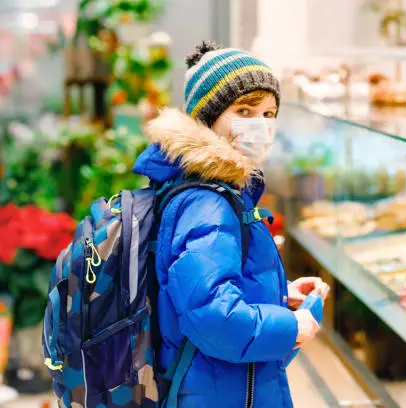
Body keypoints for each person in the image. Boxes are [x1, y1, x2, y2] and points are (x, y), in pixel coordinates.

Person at [133, 40, 330, 408]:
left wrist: (279, 293)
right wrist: (294, 327)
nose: (261, 126)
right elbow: (213, 315)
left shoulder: (213, 189)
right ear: (207, 118)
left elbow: (200, 281)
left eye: (269, 114)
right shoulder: (207, 203)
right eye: (244, 110)